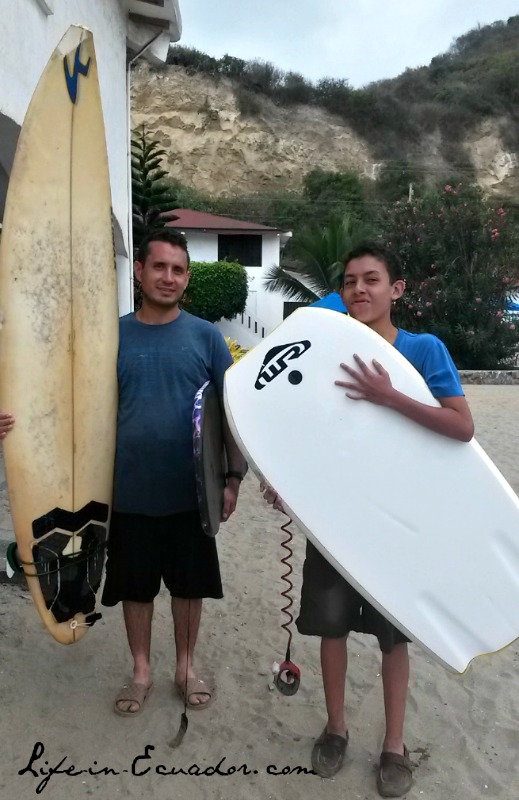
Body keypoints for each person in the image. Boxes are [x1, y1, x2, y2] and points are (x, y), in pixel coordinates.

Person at [1, 228, 244, 717]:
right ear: (139, 271)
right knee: (135, 587)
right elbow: (71, 406)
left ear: (186, 277)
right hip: (127, 493)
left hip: (192, 493)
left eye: (178, 269)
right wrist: (17, 422)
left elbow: (234, 413)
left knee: (188, 586)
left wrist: (232, 478)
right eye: (159, 267)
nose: (168, 277)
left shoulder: (206, 337)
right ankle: (140, 671)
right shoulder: (110, 338)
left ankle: (185, 666)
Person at [263, 241, 474, 797]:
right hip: (333, 519)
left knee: (391, 639)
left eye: (372, 279)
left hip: (398, 522)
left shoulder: (425, 350)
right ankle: (336, 729)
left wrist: (389, 395)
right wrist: (280, 476)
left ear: (396, 289)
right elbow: (307, 429)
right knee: (330, 630)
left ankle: (394, 747)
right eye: (351, 281)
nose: (360, 289)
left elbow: (461, 427)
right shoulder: (324, 352)